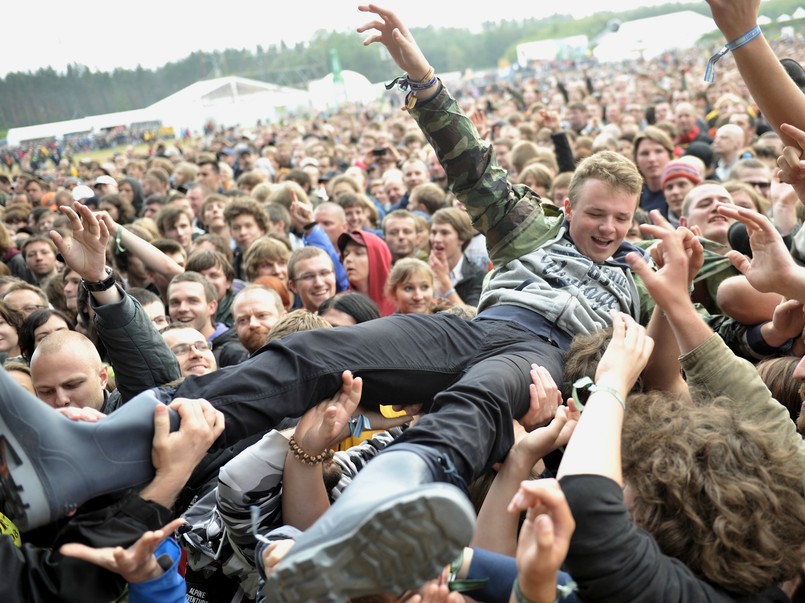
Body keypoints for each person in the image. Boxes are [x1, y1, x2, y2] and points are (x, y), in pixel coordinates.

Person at [1, 7, 650, 602]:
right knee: (316, 351)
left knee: (479, 397)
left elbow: (668, 371)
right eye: (596, 213)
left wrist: (667, 302)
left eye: (621, 218)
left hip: (545, 356)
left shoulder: (640, 281)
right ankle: (98, 450)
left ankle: (373, 506)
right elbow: (469, 164)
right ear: (568, 207)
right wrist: (419, 72)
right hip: (481, 327)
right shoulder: (528, 225)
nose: (608, 228)